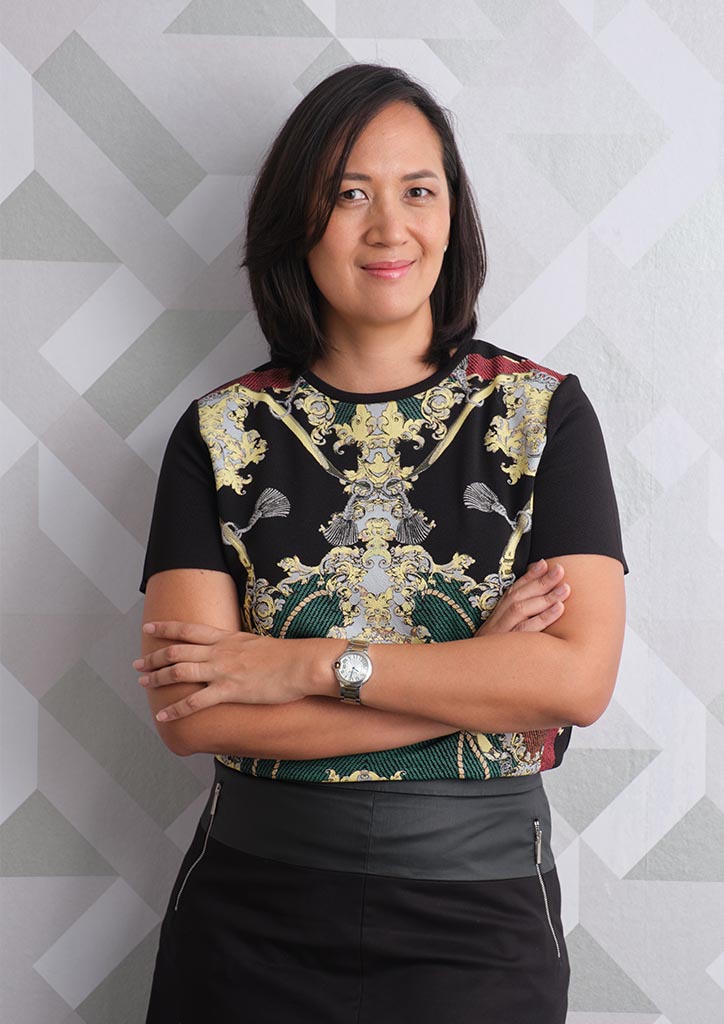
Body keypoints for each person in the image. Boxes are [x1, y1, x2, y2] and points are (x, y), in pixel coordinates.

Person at [134, 63, 628, 1022]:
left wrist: (300, 666)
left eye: (419, 191)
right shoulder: (220, 432)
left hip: (480, 923)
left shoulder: (543, 417)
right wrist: (478, 676)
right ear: (298, 218)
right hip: (247, 917)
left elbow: (576, 685)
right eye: (350, 193)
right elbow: (193, 715)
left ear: (454, 215)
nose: (389, 227)